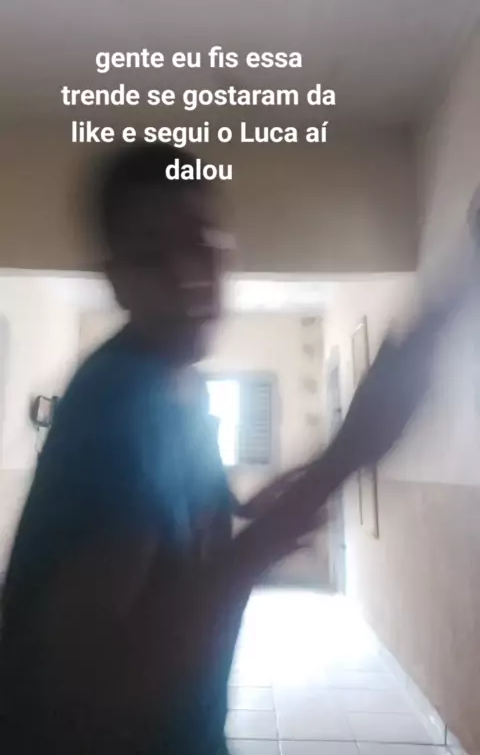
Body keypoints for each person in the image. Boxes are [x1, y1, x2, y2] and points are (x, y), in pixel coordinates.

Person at [0, 142, 446, 754]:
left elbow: (178, 541)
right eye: (152, 254)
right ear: (116, 278)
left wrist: (268, 499)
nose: (188, 275)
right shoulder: (120, 406)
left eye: (203, 246)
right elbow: (97, 690)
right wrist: (340, 461)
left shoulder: (174, 383)